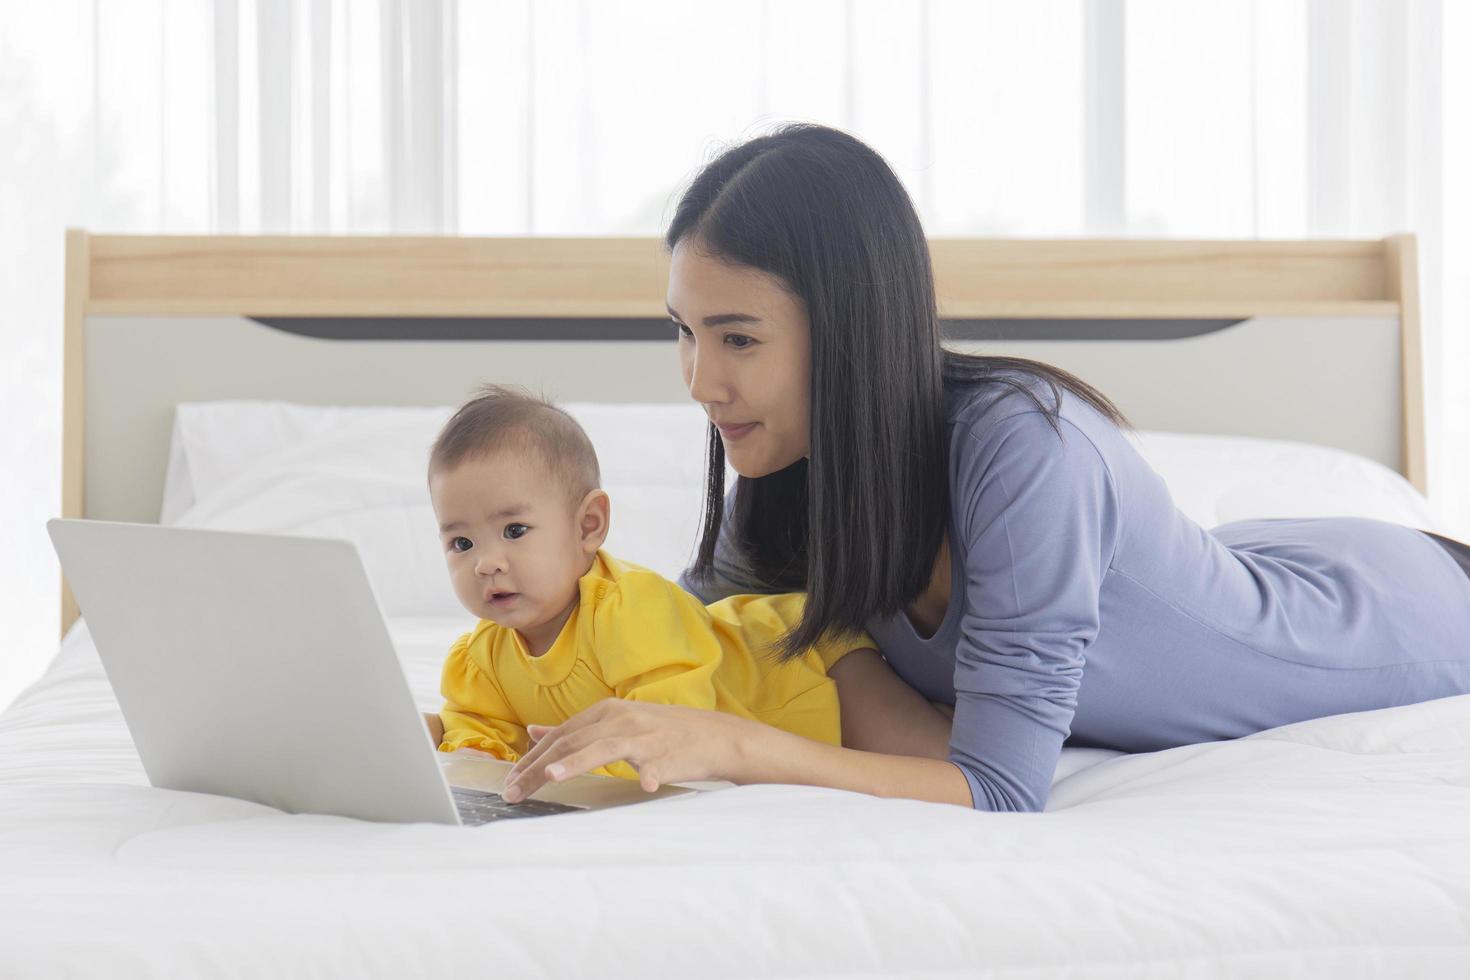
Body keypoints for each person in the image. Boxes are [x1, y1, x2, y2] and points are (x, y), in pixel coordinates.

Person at [499, 123, 1470, 811]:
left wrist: (735, 745)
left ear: (850, 329)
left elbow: (1000, 787)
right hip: (1250, 562)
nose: (703, 382)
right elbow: (665, 638)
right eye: (684, 333)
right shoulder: (794, 470)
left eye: (740, 338)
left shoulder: (1022, 451)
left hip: (1391, 617)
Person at [427, 384, 952, 787]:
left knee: (939, 759)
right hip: (781, 695)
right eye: (461, 543)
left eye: (514, 531)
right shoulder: (482, 659)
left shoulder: (630, 611)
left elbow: (667, 731)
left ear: (588, 526)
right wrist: (475, 759)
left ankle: (961, 704)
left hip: (799, 663)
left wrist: (569, 779)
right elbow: (480, 729)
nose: (486, 564)